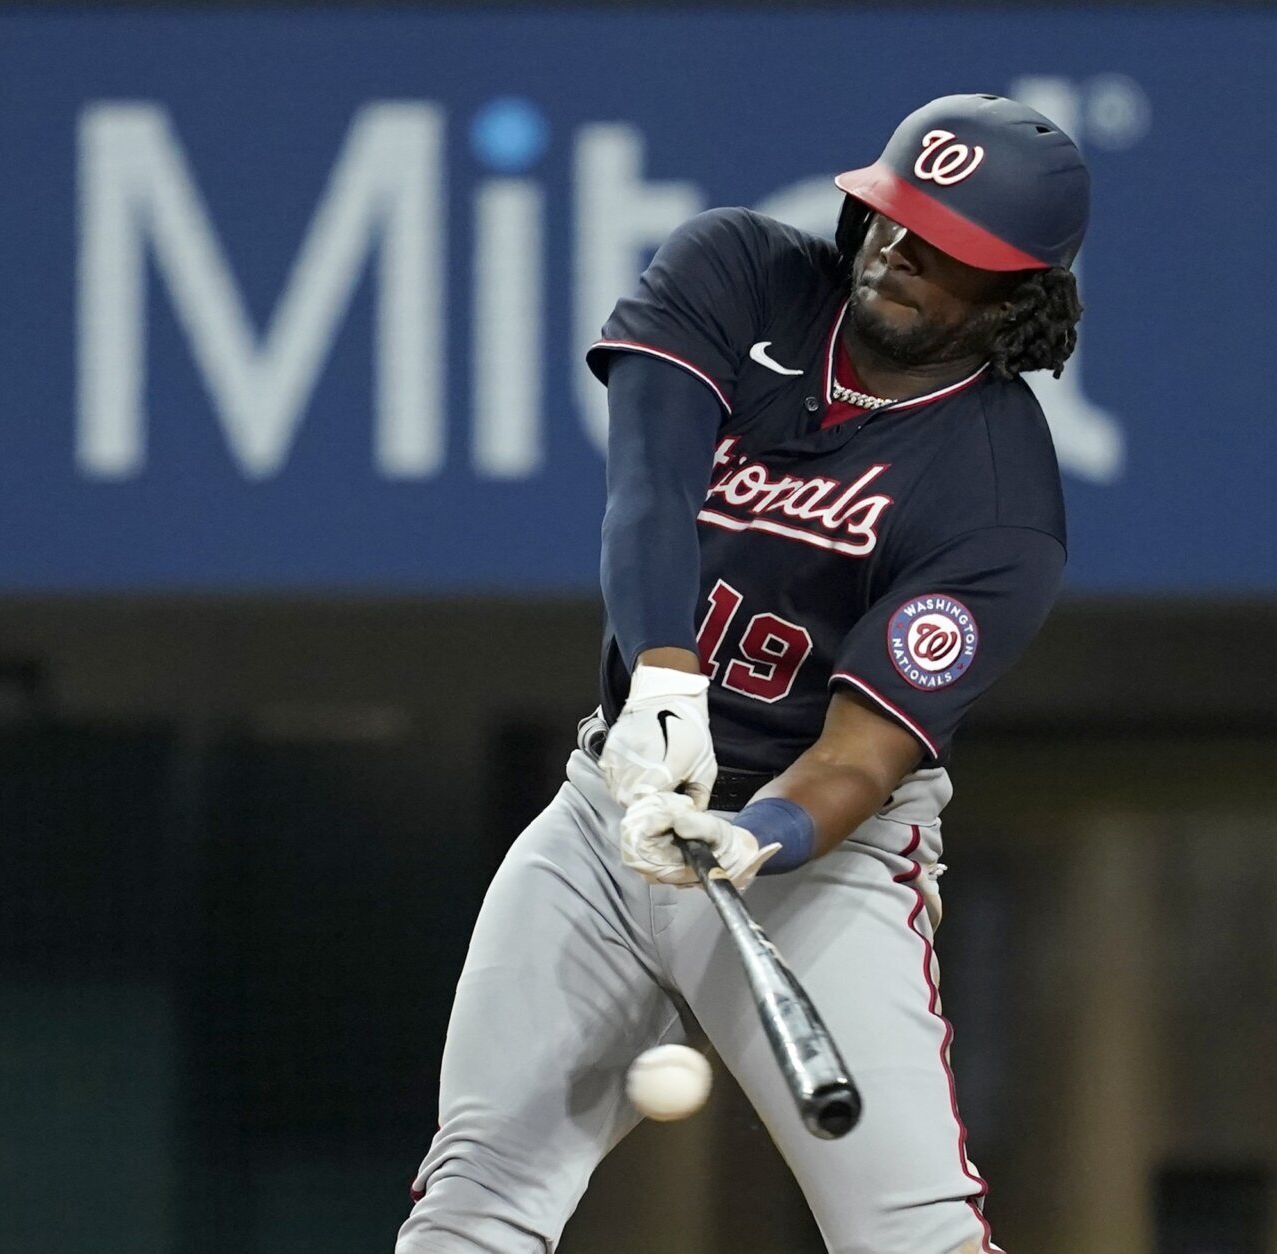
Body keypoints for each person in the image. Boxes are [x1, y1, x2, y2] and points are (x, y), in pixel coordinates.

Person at [398, 93, 1088, 1254]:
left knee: (912, 1236)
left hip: (813, 864)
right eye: (892, 215)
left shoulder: (999, 499)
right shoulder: (740, 270)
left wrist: (757, 834)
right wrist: (663, 689)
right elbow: (649, 490)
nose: (897, 249)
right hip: (610, 810)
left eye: (945, 246)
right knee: (477, 1192)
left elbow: (862, 754)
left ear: (1016, 295)